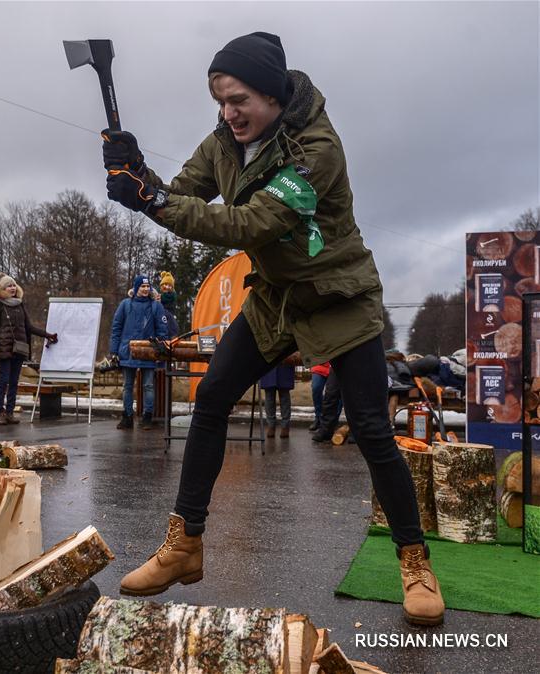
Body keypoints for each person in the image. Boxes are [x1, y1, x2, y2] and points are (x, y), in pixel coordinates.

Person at [100, 32, 444, 625]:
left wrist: (151, 200)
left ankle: (415, 561)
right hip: (276, 300)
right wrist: (134, 173)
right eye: (220, 100)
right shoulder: (224, 142)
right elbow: (180, 195)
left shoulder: (317, 148)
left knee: (369, 429)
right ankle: (184, 545)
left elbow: (248, 224)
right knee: (210, 398)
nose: (229, 113)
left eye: (239, 100)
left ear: (273, 93)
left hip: (339, 297)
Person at [0, 273, 57, 425]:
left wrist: (47, 335)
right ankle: (0, 412)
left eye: (13, 285)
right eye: (8, 286)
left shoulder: (19, 304)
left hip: (19, 348)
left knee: (14, 381)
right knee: (4, 380)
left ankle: (10, 413)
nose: (12, 288)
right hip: (4, 348)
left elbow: (28, 327)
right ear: (3, 289)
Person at [109, 275, 168, 430]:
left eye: (148, 287)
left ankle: (147, 417)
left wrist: (161, 349)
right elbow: (116, 329)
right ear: (136, 288)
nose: (145, 289)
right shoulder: (125, 305)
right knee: (128, 386)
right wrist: (114, 351)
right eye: (142, 287)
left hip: (148, 352)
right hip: (127, 351)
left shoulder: (156, 306)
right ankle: (127, 417)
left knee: (148, 385)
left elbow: (162, 330)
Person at [260, 364, 294, 438]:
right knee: (269, 397)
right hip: (269, 361)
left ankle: (285, 426)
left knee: (284, 397)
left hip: (284, 362)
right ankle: (271, 425)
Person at [309, 361, 331, 431]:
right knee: (316, 389)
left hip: (334, 366)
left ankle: (329, 420)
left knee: (332, 393)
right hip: (319, 365)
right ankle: (318, 417)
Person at [158, 271, 180, 338]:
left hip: (169, 315)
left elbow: (166, 298)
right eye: (165, 284)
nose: (167, 287)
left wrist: (160, 297)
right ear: (161, 285)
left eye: (169, 285)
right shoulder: (160, 294)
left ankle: (172, 335)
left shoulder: (172, 295)